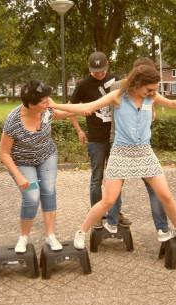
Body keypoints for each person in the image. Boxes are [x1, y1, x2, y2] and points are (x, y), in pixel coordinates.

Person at [49, 64, 176, 249]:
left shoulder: (151, 96)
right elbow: (88, 106)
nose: (152, 92)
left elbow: (173, 103)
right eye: (149, 88)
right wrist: (54, 105)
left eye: (154, 90)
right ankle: (81, 232)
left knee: (165, 195)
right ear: (138, 83)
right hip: (121, 152)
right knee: (108, 200)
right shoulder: (118, 96)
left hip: (144, 152)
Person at [0, 80, 74, 253]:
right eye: (44, 101)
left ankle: (50, 235)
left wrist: (85, 110)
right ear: (31, 104)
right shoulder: (13, 121)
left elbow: (64, 113)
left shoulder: (46, 111)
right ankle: (23, 237)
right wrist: (18, 176)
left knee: (48, 191)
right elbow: (3, 153)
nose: (48, 103)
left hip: (47, 156)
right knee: (32, 198)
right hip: (22, 162)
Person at [105, 57, 172, 242]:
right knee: (116, 186)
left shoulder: (149, 91)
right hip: (119, 141)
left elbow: (152, 110)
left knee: (154, 188)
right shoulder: (117, 88)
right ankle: (112, 220)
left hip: (141, 144)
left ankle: (162, 228)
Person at [69, 51, 131, 229]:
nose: (99, 74)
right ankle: (96, 215)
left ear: (107, 65)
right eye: (95, 71)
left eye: (102, 71)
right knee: (97, 178)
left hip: (115, 137)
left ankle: (115, 213)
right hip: (95, 139)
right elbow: (71, 108)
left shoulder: (115, 80)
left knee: (116, 177)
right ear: (90, 69)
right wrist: (79, 130)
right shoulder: (82, 85)